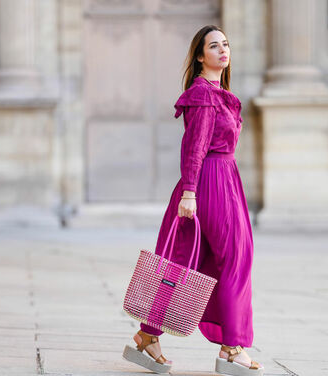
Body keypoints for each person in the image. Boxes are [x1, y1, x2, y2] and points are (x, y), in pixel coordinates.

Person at [122, 25, 263, 375]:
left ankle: (147, 336)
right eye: (214, 46)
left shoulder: (219, 92)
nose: (223, 50)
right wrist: (189, 193)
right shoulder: (203, 94)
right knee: (235, 258)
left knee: (185, 262)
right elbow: (194, 147)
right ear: (200, 56)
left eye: (226, 44)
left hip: (225, 179)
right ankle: (232, 348)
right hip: (209, 183)